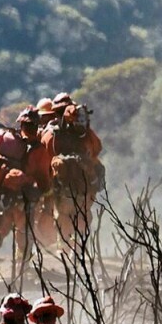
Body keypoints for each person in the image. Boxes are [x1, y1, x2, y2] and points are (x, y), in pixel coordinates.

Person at [0, 106, 52, 263]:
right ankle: (22, 270)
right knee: (24, 237)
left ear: (21, 125)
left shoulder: (10, 144)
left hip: (3, 200)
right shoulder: (39, 151)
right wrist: (47, 201)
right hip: (24, 203)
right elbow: (44, 180)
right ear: (37, 126)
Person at [39, 97, 104, 247]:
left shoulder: (52, 135)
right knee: (81, 219)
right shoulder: (88, 136)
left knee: (65, 219)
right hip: (82, 188)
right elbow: (97, 148)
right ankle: (77, 250)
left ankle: (66, 250)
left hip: (68, 189)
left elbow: (46, 153)